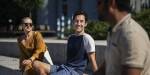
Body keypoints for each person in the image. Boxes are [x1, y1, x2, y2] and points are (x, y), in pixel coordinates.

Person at [32, 10, 98, 75]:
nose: (78, 24)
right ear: (73, 22)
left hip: (75, 72)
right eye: (76, 21)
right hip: (65, 68)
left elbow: (93, 61)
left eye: (81, 21)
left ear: (85, 24)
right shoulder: (71, 38)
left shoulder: (87, 38)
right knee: (36, 64)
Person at [97, 0, 150, 75]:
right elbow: (106, 67)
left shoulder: (131, 34)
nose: (97, 7)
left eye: (99, 3)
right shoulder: (115, 30)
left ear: (112, 3)